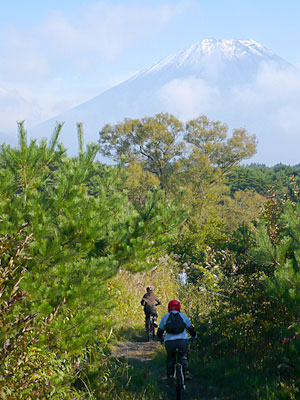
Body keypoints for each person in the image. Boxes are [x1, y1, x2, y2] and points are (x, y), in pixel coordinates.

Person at [157, 299, 197, 384]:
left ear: (169, 308)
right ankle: (186, 372)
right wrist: (194, 336)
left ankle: (170, 377)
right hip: (183, 341)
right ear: (179, 307)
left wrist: (160, 338)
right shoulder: (182, 316)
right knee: (184, 356)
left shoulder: (165, 317)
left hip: (170, 342)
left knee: (170, 358)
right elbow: (191, 328)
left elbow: (160, 331)